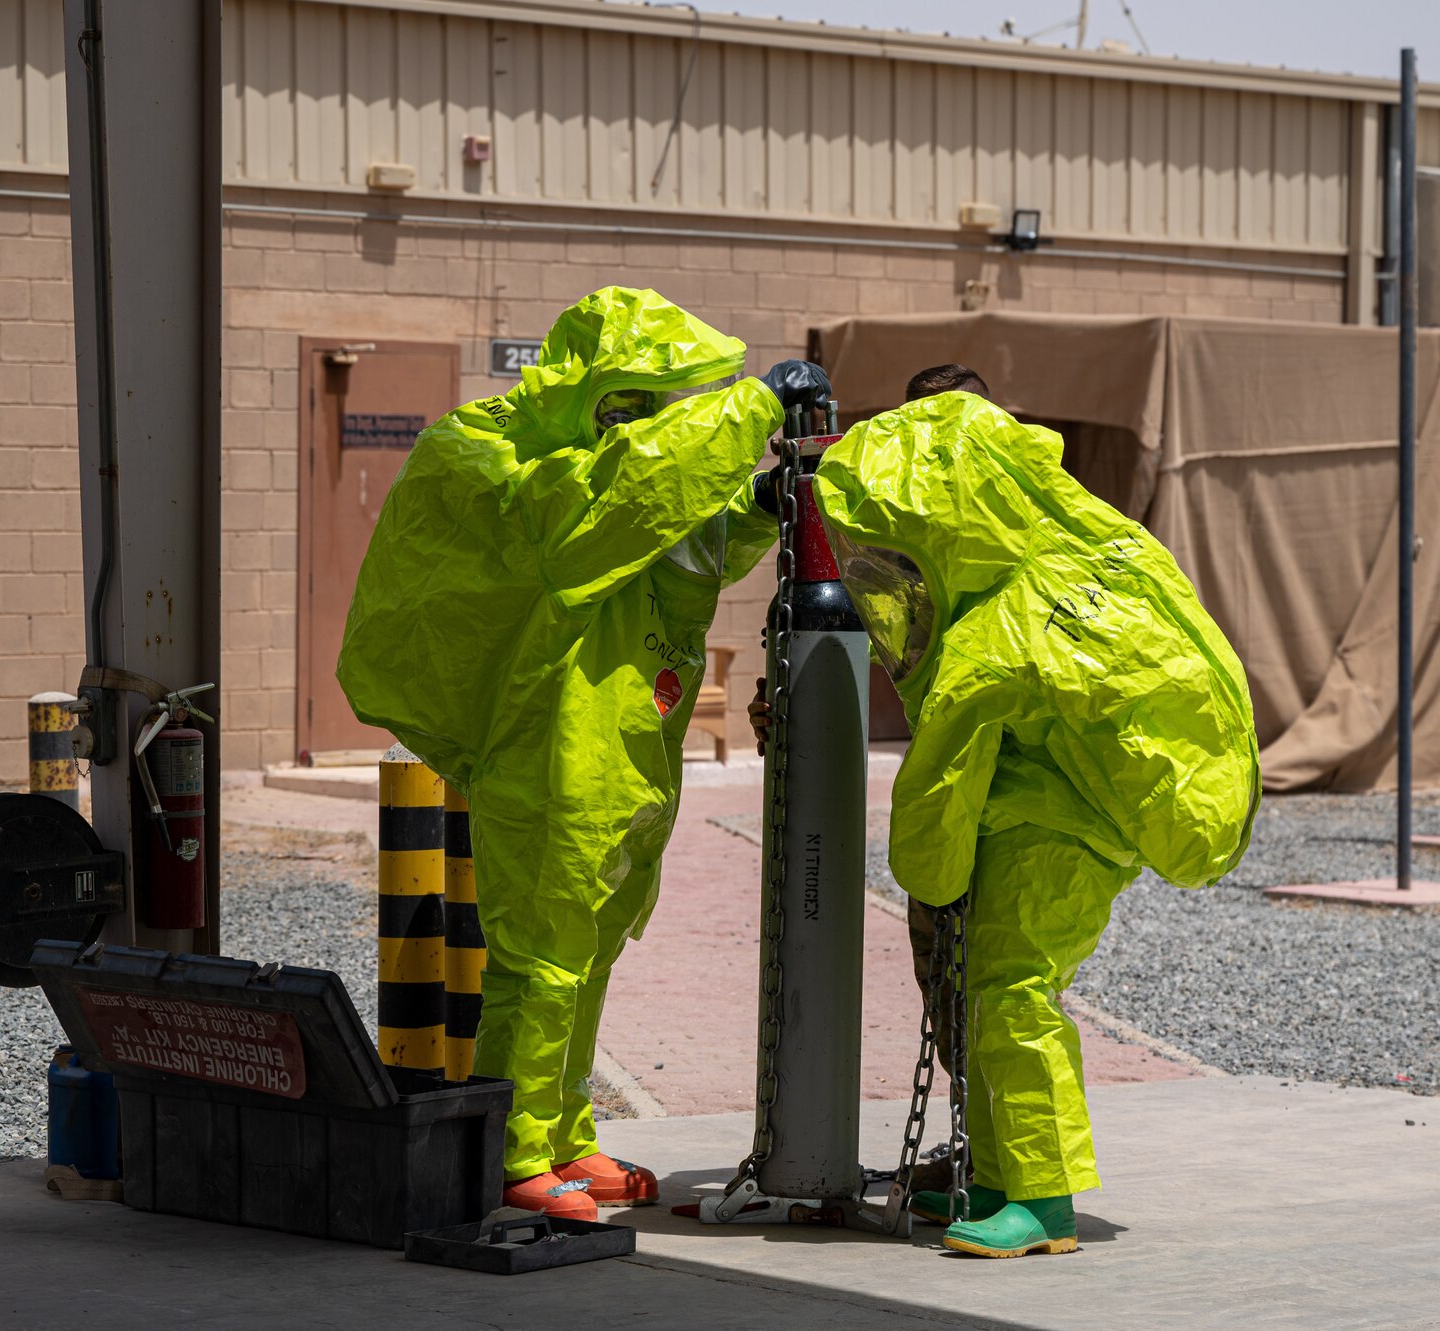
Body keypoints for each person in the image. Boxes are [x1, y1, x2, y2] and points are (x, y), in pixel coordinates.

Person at [338, 287, 830, 1222]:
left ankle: (565, 1134)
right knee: (540, 953)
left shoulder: (617, 468)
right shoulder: (489, 453)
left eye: (656, 403)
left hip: (628, 741)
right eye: (630, 399)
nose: (642, 422)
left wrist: (763, 502)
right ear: (587, 386)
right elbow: (594, 519)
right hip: (549, 741)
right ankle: (513, 1148)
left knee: (591, 949)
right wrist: (752, 407)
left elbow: (679, 539)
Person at [812, 391, 1260, 1258]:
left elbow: (929, 843)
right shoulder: (1086, 560)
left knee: (1012, 996)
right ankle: (996, 1179)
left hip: (1049, 831)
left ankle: (1045, 1198)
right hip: (1078, 818)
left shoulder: (992, 635)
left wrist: (927, 866)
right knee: (992, 996)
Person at [749, 363, 991, 1195]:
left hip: (1006, 783)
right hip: (948, 776)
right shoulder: (897, 510)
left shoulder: (1002, 519)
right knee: (946, 963)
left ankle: (1002, 1160)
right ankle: (982, 1147)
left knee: (998, 976)